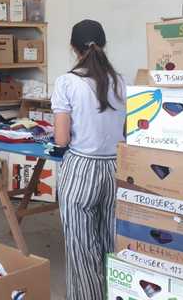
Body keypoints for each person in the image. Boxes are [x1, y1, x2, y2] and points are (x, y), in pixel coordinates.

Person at [51, 19, 125, 300]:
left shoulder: (67, 82)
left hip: (82, 167)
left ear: (73, 47)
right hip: (116, 168)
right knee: (113, 244)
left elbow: (61, 139)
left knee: (82, 248)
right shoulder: (120, 80)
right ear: (104, 44)